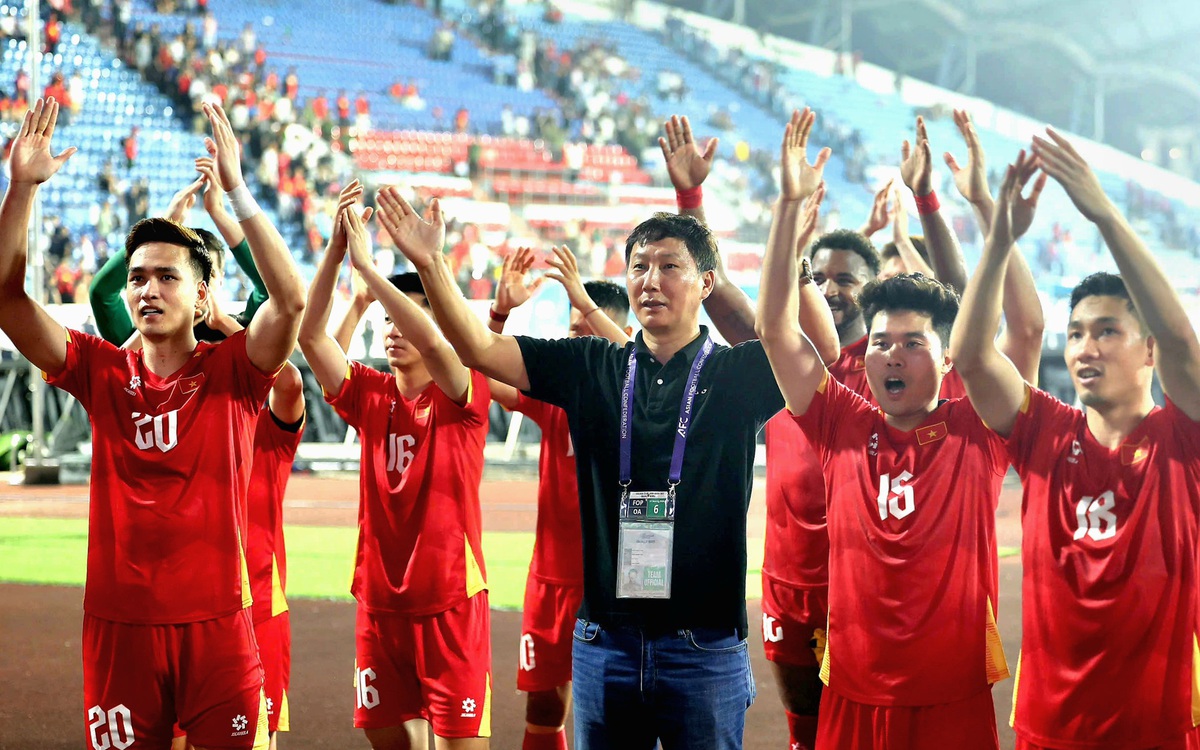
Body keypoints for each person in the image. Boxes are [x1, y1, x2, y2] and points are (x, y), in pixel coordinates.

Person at [377, 173, 783, 747]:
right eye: (639, 266)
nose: (650, 280)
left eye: (670, 266)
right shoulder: (594, 365)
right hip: (605, 642)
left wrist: (786, 214)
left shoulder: (737, 373)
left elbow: (806, 345)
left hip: (704, 645)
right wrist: (431, 263)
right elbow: (478, 348)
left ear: (706, 282)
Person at [0, 99, 305, 749]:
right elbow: (6, 300)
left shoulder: (235, 372)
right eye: (138, 277)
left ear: (201, 296)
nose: (147, 290)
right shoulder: (100, 371)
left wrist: (238, 194)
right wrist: (21, 188)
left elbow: (291, 300)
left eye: (167, 276)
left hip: (219, 632)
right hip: (118, 635)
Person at [757, 115, 1021, 748]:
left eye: (912, 343)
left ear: (950, 353)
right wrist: (790, 214)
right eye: (881, 344)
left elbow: (993, 316)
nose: (893, 357)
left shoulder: (975, 423)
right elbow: (773, 327)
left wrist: (960, 208)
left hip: (949, 690)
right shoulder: (839, 420)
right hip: (851, 687)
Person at [951, 135, 1200, 749]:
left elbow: (1184, 348)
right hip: (1050, 729)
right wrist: (1001, 238)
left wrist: (1105, 215)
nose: (1085, 348)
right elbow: (972, 357)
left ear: (1149, 351)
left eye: (1107, 331)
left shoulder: (1182, 439)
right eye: (1077, 333)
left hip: (1158, 731)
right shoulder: (1045, 432)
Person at [658, 110, 839, 750]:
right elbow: (719, 292)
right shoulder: (773, 367)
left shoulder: (883, 375)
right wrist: (690, 198)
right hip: (787, 582)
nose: (835, 289)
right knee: (804, 732)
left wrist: (796, 256)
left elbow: (814, 334)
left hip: (863, 587)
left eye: (847, 280)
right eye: (827, 276)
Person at [298, 186, 492, 749]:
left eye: (403, 317)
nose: (394, 328)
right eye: (386, 319)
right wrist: (338, 257)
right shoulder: (371, 394)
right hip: (380, 603)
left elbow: (435, 339)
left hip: (450, 601)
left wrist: (373, 271)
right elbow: (311, 338)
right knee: (387, 740)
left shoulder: (464, 392)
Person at [486, 246, 632, 750]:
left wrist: (586, 307)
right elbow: (482, 377)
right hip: (551, 579)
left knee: (621, 713)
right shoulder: (558, 397)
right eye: (571, 329)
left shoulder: (650, 400)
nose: (575, 340)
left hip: (616, 583)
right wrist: (500, 314)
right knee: (544, 710)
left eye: (585, 329)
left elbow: (642, 359)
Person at [89, 156, 270, 346]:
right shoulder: (144, 339)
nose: (199, 289)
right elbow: (102, 293)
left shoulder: (243, 331)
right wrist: (162, 225)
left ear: (222, 280)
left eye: (209, 276)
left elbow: (271, 286)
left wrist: (219, 213)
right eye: (188, 276)